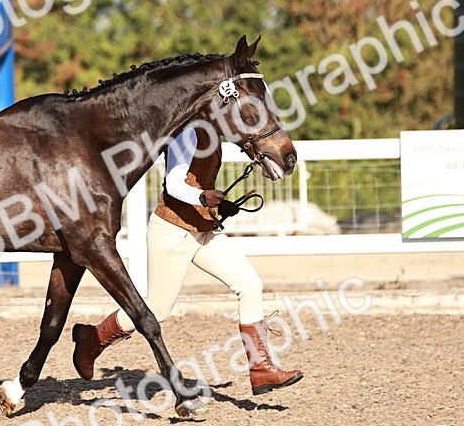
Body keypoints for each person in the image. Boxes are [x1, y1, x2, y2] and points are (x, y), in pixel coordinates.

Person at [71, 123, 303, 395]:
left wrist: (217, 203)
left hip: (203, 230)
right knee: (157, 309)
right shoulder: (187, 131)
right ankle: (91, 339)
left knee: (250, 284)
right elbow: (173, 186)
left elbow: (201, 179)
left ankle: (261, 368)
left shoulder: (211, 131)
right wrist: (202, 196)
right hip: (172, 232)